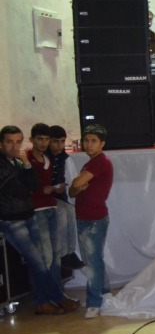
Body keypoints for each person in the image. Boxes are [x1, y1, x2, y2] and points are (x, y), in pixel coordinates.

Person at [0, 125, 66, 314]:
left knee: (40, 261)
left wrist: (27, 165)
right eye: (9, 142)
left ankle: (42, 302)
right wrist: (29, 185)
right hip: (11, 220)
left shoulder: (18, 161)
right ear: (1, 143)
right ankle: (58, 297)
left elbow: (34, 185)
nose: (14, 146)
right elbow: (20, 189)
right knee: (38, 262)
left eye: (18, 142)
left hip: (28, 214)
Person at [26, 123, 78, 312]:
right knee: (44, 259)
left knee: (55, 258)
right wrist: (45, 190)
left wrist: (52, 189)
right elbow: (27, 186)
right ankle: (45, 300)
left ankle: (55, 296)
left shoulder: (48, 159)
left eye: (46, 139)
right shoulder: (27, 159)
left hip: (50, 207)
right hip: (36, 211)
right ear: (32, 140)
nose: (44, 143)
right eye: (40, 139)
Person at [69, 124, 114, 319]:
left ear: (102, 143)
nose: (89, 144)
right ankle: (104, 293)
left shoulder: (100, 162)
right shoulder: (90, 163)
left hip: (94, 219)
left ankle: (94, 302)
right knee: (93, 260)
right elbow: (72, 191)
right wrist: (76, 187)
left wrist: (77, 185)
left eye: (93, 141)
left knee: (93, 262)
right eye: (86, 140)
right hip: (85, 216)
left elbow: (76, 184)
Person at [46, 125, 83, 271]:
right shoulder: (43, 157)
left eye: (62, 141)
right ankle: (62, 253)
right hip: (44, 197)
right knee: (61, 212)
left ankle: (70, 251)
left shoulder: (65, 159)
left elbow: (71, 180)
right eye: (56, 141)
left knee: (70, 211)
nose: (60, 145)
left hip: (59, 197)